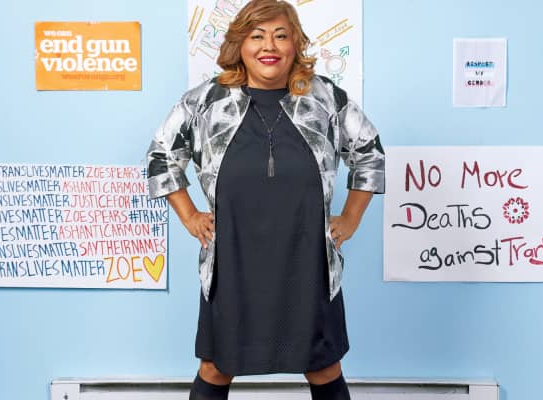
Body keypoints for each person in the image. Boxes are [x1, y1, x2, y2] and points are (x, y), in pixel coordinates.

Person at [146, 1, 385, 399]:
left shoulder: (325, 97)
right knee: (216, 366)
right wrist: (189, 216)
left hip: (307, 258)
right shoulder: (206, 101)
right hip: (233, 259)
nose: (268, 46)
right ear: (240, 44)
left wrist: (351, 218)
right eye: (256, 36)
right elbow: (161, 156)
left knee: (324, 366)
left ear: (295, 44)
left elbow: (369, 153)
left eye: (280, 35)